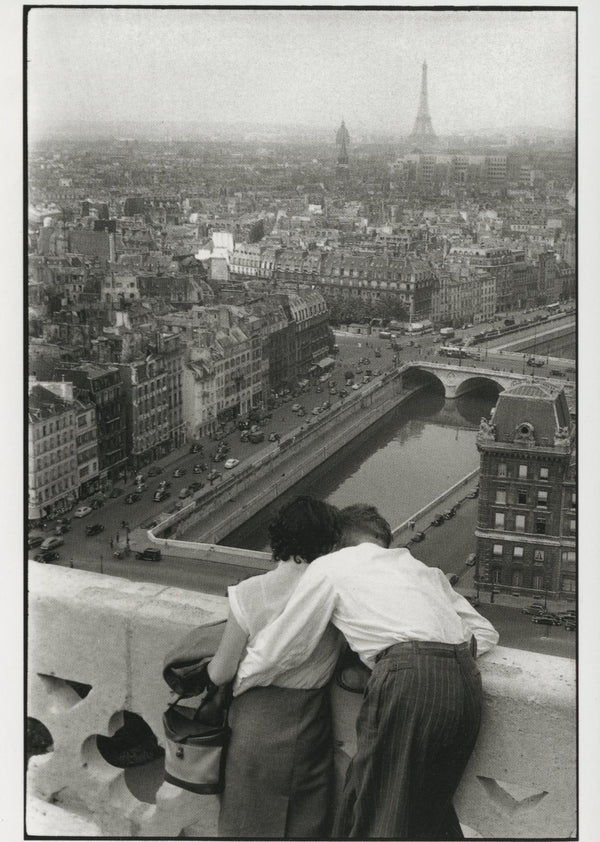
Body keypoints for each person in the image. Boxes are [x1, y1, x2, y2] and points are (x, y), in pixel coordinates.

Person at [235, 504, 499, 840]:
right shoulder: (423, 570)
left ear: (337, 541)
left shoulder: (330, 566)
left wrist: (240, 679)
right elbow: (486, 632)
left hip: (409, 679)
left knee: (376, 807)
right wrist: (439, 654)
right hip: (464, 681)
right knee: (431, 813)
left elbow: (284, 646)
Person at [198, 496, 344, 838]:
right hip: (309, 725)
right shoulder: (334, 593)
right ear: (328, 541)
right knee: (303, 823)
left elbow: (220, 673)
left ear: (277, 538)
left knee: (246, 822)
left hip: (253, 726)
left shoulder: (249, 593)